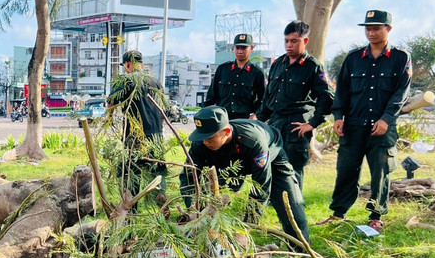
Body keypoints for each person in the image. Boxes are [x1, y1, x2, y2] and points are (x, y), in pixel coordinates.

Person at [320, 10, 411, 233]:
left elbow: (401, 92)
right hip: (353, 125)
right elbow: (341, 89)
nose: (370, 32)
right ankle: (338, 212)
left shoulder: (400, 58)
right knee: (346, 170)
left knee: (381, 172)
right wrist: (338, 116)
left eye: (376, 28)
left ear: (388, 29)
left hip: (382, 127)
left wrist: (386, 119)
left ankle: (376, 215)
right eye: (367, 28)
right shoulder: (353, 58)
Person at [179, 106, 310, 241]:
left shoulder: (253, 141)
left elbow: (261, 186)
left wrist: (246, 226)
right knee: (207, 203)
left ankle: (298, 255)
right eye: (202, 137)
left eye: (210, 137)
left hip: (271, 157)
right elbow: (189, 177)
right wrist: (195, 210)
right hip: (228, 162)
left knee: (290, 207)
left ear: (226, 131)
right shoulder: (202, 144)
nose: (205, 141)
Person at [258, 21, 334, 188]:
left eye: (294, 41)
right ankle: (275, 200)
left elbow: (327, 96)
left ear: (305, 41)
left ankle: (294, 203)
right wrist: (259, 120)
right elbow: (268, 96)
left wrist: (312, 123)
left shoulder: (313, 66)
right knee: (272, 163)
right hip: (276, 123)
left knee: (294, 167)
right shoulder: (278, 64)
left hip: (297, 124)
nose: (289, 45)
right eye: (286, 41)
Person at [107, 50, 166, 200]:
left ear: (127, 64)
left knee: (131, 172)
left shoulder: (125, 81)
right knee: (157, 170)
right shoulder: (155, 81)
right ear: (142, 64)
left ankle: (131, 207)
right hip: (156, 134)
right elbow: (163, 108)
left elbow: (112, 102)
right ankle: (160, 197)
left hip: (134, 135)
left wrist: (109, 118)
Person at [204, 33, 266, 120]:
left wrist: (256, 115)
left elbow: (263, 100)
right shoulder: (222, 69)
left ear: (251, 48)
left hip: (245, 121)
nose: (240, 51)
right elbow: (211, 97)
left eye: (244, 48)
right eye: (237, 47)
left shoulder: (257, 73)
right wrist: (204, 114)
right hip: (223, 119)